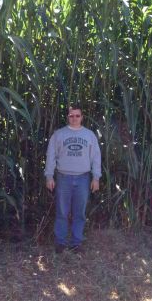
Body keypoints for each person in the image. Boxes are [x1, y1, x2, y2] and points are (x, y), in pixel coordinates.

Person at [44, 104, 101, 253]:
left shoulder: (89, 135)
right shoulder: (59, 134)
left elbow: (96, 157)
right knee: (62, 212)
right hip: (63, 177)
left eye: (77, 115)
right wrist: (49, 176)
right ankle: (60, 243)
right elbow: (51, 156)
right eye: (71, 115)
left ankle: (76, 243)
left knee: (79, 213)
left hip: (83, 178)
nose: (74, 118)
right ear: (67, 117)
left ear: (82, 117)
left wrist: (96, 178)